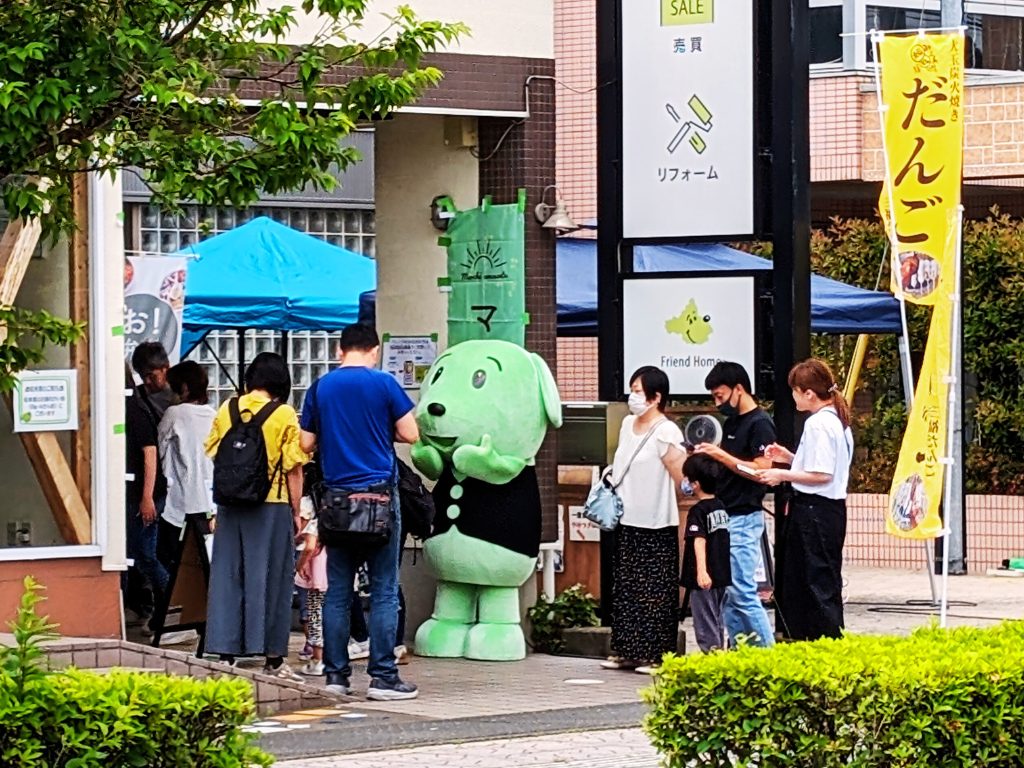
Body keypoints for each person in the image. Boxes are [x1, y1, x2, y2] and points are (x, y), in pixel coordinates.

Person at [299, 323, 420, 701]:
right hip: (380, 499)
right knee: (383, 589)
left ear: (339, 350)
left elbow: (305, 443)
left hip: (336, 502)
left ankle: (336, 676)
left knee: (337, 591)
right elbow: (411, 433)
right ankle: (383, 678)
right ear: (375, 349)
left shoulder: (321, 387)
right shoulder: (384, 384)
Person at [204, 352, 309, 680]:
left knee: (227, 578)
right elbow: (294, 467)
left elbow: (212, 451)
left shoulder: (227, 408)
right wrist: (297, 512)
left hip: (231, 505)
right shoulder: (284, 414)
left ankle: (225, 655)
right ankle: (273, 659)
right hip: (271, 505)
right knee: (272, 580)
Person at [758, 359, 853, 641]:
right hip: (829, 510)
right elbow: (825, 467)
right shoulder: (837, 419)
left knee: (811, 581)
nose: (794, 398)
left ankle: (814, 639)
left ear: (808, 393)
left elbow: (821, 474)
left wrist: (781, 475)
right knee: (823, 578)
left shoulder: (818, 424)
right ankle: (826, 639)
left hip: (814, 510)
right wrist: (789, 458)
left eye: (795, 392)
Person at [601, 366, 686, 674]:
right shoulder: (627, 424)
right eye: (632, 389)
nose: (632, 396)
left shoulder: (666, 431)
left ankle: (657, 654)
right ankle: (626, 650)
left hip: (657, 521)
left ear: (656, 397)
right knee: (627, 586)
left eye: (638, 391)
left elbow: (681, 476)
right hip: (628, 517)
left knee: (655, 588)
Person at [694, 361, 776, 647]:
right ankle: (743, 653)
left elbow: (762, 470)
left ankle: (768, 654)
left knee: (742, 590)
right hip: (725, 515)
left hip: (744, 516)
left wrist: (722, 457)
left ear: (739, 389)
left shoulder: (760, 423)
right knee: (728, 591)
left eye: (720, 395)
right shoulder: (731, 423)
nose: (718, 403)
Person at [157, 361, 216, 574]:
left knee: (170, 560)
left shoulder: (174, 414)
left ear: (183, 388)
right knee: (203, 564)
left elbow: (159, 449)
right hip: (208, 501)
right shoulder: (214, 415)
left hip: (178, 503)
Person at [124, 361, 169, 624]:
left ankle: (170, 602)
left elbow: (149, 452)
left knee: (144, 554)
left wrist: (147, 496)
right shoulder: (136, 406)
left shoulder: (134, 409)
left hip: (144, 491)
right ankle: (149, 606)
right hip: (137, 490)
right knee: (138, 553)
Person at [679, 454, 731, 653]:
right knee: (717, 617)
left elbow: (698, 540)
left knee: (704, 618)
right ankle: (718, 651)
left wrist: (701, 571)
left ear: (696, 484)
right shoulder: (721, 506)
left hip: (704, 576)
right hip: (721, 573)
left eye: (688, 479)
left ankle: (711, 656)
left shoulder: (698, 511)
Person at [295, 510, 329, 676]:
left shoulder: (315, 523)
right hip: (336, 579)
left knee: (315, 616)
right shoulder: (338, 519)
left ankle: (318, 660)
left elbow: (309, 546)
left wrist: (299, 565)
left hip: (316, 580)